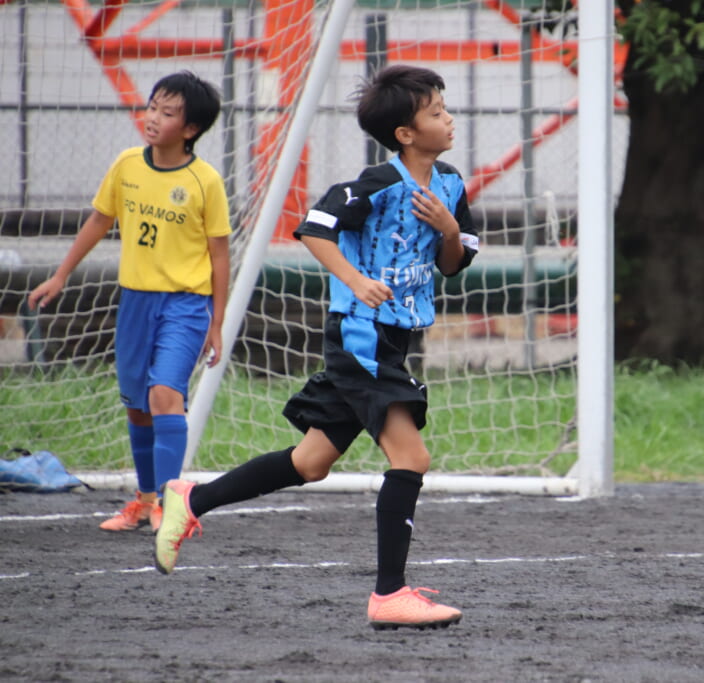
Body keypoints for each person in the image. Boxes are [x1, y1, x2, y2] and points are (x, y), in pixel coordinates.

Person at [154, 64, 478, 630]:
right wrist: (355, 280)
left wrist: (449, 229)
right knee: (411, 457)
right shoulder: (376, 183)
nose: (448, 118)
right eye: (436, 112)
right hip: (360, 334)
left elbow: (453, 266)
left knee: (310, 463)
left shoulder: (448, 183)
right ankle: (389, 595)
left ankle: (190, 499)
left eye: (444, 108)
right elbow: (313, 227)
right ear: (405, 133)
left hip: (395, 339)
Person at [28, 71, 231, 533]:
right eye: (152, 107)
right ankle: (143, 502)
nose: (153, 118)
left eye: (167, 112)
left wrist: (216, 323)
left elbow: (220, 255)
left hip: (185, 305)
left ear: (191, 129)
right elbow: (99, 221)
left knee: (165, 396)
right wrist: (61, 275)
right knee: (138, 408)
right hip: (135, 303)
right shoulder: (126, 165)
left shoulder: (205, 182)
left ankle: (169, 504)